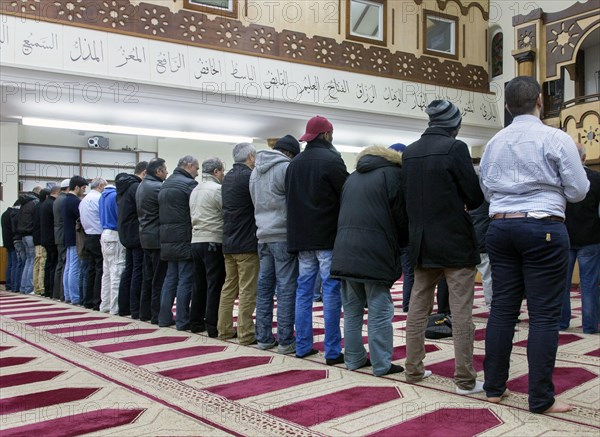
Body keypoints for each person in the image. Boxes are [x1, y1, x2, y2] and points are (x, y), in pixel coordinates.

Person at [480, 76, 589, 414]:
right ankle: (540, 398)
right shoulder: (555, 138)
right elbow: (578, 191)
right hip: (543, 226)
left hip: (500, 227)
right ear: (541, 101)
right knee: (542, 315)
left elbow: (486, 189)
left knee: (502, 309)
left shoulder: (494, 142)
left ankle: (494, 389)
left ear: (509, 106)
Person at [402, 100, 484, 394]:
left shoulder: (409, 153)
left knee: (417, 309)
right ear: (453, 124)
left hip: (421, 244)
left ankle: (413, 370)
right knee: (461, 312)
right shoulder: (455, 148)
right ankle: (464, 380)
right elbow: (474, 199)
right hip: (454, 243)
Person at [331, 145, 408, 376]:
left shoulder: (352, 178)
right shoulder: (393, 175)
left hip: (345, 249)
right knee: (379, 310)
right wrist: (404, 243)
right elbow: (401, 217)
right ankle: (381, 364)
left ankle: (353, 359)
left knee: (352, 311)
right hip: (376, 252)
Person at [286, 115, 349, 363]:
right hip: (327, 237)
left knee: (304, 292)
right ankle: (332, 351)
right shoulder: (332, 160)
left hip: (301, 239)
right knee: (332, 291)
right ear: (325, 135)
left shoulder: (295, 163)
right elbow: (345, 195)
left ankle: (302, 347)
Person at [250, 135, 300, 354]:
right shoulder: (286, 169)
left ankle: (263, 338)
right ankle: (286, 340)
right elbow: (293, 202)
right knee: (286, 289)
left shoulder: (254, 171)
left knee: (264, 289)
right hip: (282, 235)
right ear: (290, 153)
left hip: (263, 236)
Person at [218, 142, 259, 345]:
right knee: (247, 290)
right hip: (246, 242)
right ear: (251, 157)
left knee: (228, 287)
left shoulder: (227, 179)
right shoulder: (250, 177)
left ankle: (224, 330)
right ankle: (245, 334)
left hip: (229, 241)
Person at [560, 144, 600, 334]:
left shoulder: (560, 179)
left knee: (562, 283)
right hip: (591, 237)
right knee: (589, 284)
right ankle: (590, 326)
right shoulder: (596, 178)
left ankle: (562, 322)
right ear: (584, 158)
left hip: (565, 237)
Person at [157, 156, 199, 330]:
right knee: (185, 280)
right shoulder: (189, 185)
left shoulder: (165, 184)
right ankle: (182, 320)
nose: (197, 173)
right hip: (184, 238)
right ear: (189, 166)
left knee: (170, 279)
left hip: (166, 238)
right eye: (196, 169)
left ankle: (164, 317)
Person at [189, 157, 226, 337]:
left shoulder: (195, 189)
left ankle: (195, 322)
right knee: (214, 284)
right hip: (213, 239)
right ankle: (212, 325)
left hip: (196, 240)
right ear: (216, 172)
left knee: (199, 283)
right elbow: (225, 212)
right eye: (223, 171)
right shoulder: (217, 189)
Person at [137, 158, 169, 324]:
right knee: (159, 279)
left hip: (145, 236)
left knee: (148, 278)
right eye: (165, 169)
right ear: (158, 171)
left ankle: (145, 313)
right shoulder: (158, 187)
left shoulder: (141, 185)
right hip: (156, 238)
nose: (167, 172)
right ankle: (157, 315)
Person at [116, 162, 147, 318]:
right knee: (137, 271)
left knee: (128, 270)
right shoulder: (136, 187)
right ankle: (136, 309)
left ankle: (124, 307)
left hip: (125, 233)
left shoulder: (123, 188)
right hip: (136, 234)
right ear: (145, 172)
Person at [79, 177, 106, 310]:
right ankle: (97, 301)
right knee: (100, 269)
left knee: (90, 270)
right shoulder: (98, 199)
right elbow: (102, 217)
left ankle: (87, 300)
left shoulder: (84, 200)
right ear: (101, 186)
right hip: (98, 235)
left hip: (87, 235)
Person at [62, 176, 89, 305]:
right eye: (83, 188)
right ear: (77, 187)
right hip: (75, 237)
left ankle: (68, 294)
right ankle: (75, 296)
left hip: (68, 236)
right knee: (74, 267)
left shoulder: (65, 200)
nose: (83, 191)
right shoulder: (74, 201)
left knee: (68, 267)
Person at [99, 182, 124, 315]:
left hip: (104, 234)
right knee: (117, 271)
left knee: (106, 273)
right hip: (114, 234)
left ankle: (105, 305)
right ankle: (115, 307)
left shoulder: (102, 196)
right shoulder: (114, 196)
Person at [17, 187, 40, 294]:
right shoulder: (34, 202)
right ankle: (29, 288)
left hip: (23, 235)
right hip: (30, 234)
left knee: (28, 261)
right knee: (32, 261)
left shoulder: (24, 203)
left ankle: (23, 287)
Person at [40, 185, 60, 298]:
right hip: (52, 238)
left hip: (45, 238)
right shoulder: (52, 204)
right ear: (57, 192)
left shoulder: (44, 204)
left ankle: (46, 288)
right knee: (54, 264)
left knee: (48, 264)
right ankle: (52, 289)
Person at [53, 179, 70, 300]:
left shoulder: (57, 199)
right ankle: (63, 293)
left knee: (60, 264)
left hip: (58, 234)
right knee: (65, 264)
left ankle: (57, 293)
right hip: (64, 234)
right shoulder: (64, 200)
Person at [32, 188, 49, 295]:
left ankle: (36, 287)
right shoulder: (43, 206)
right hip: (41, 238)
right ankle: (41, 288)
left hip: (35, 238)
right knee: (42, 263)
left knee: (37, 263)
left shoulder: (36, 206)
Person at [1, 204, 17, 291]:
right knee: (15, 263)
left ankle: (9, 284)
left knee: (10, 263)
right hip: (13, 240)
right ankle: (13, 285)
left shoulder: (4, 214)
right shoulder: (13, 214)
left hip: (6, 241)